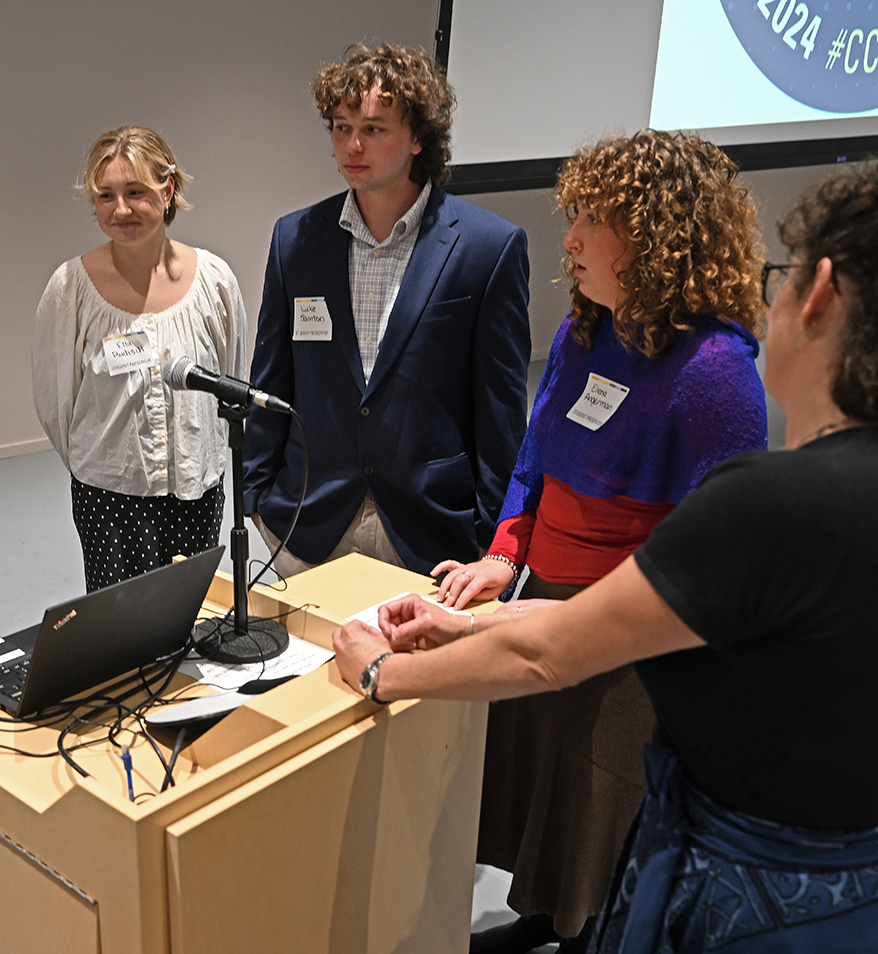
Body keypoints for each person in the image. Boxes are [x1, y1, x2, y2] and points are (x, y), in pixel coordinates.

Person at [332, 166, 878, 954]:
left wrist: (381, 672)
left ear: (818, 293)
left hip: (745, 903)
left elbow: (558, 653)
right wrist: (476, 616)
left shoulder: (763, 490)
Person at [428, 131, 769, 953]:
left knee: (600, 800)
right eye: (572, 214)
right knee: (544, 781)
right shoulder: (589, 331)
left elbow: (714, 553)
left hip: (632, 638)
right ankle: (545, 917)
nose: (569, 238)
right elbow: (536, 457)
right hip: (542, 600)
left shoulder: (717, 370)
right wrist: (504, 557)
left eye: (592, 219)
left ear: (657, 235)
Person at [242, 43, 530, 578]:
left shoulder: (488, 247)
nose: (352, 144)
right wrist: (256, 496)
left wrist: (495, 538)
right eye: (340, 126)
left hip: (429, 530)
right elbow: (272, 381)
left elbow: (500, 410)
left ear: (419, 137)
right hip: (310, 523)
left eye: (373, 129)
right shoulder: (295, 240)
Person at [33, 126, 246, 591]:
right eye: (106, 196)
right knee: (121, 634)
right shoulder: (71, 288)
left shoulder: (214, 280)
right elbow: (56, 402)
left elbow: (231, 376)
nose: (121, 209)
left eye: (135, 192)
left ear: (168, 190)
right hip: (109, 496)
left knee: (190, 615)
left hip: (197, 488)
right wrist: (107, 461)